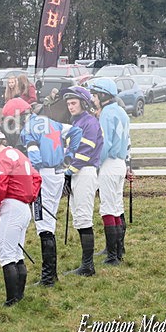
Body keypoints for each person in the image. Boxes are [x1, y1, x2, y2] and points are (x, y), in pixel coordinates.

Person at [20, 103, 82, 286]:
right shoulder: (53, 123)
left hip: (44, 175)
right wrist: (69, 154)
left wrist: (33, 176)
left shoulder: (28, 129)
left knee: (43, 223)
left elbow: (35, 156)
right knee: (50, 220)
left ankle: (48, 277)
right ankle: (51, 274)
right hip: (58, 174)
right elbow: (76, 131)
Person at [0, 125, 41, 306]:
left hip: (11, 207)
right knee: (16, 254)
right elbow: (37, 178)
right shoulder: (19, 155)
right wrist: (29, 196)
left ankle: (11, 300)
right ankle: (19, 297)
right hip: (24, 207)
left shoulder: (3, 158)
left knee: (6, 255)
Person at [61, 86, 102, 277]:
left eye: (73, 103)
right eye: (68, 103)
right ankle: (85, 263)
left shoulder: (89, 122)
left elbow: (85, 153)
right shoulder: (77, 122)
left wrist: (69, 172)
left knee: (84, 217)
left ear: (83, 103)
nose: (70, 106)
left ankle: (88, 266)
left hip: (85, 172)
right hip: (77, 171)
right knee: (78, 216)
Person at [89, 79, 130, 266]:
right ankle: (118, 250)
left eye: (95, 95)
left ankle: (112, 255)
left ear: (103, 96)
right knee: (117, 207)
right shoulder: (121, 111)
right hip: (120, 163)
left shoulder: (106, 113)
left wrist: (95, 163)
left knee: (107, 208)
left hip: (108, 164)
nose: (93, 98)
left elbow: (104, 144)